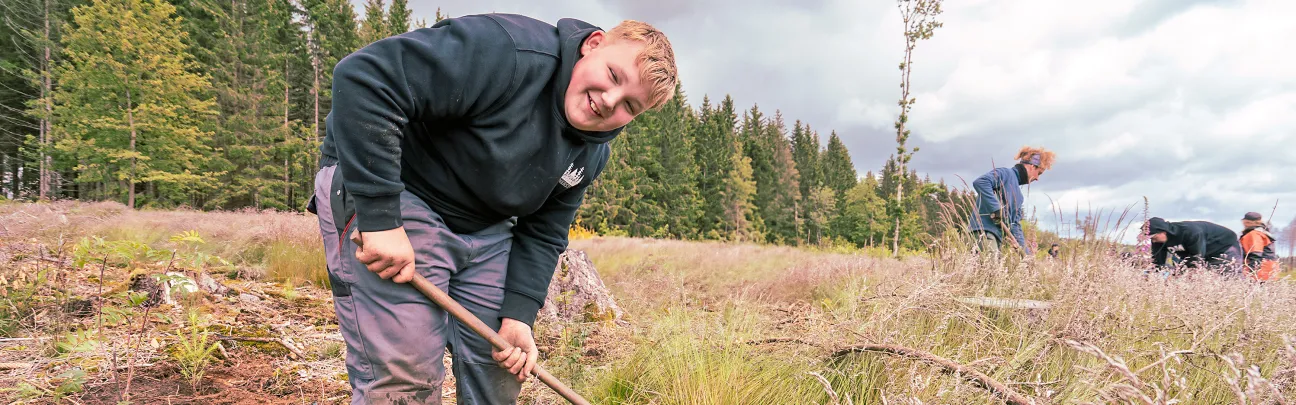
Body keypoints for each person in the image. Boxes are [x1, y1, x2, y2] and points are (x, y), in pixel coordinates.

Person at [305, 14, 677, 403]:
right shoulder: (508, 52)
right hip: (396, 190)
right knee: (406, 378)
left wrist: (518, 315)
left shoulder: (591, 153)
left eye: (629, 105)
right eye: (613, 76)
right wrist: (381, 219)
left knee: (500, 368)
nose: (608, 101)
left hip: (484, 227)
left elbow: (544, 232)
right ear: (593, 45)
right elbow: (365, 78)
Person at [968, 146, 1055, 256]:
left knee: (991, 271)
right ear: (1032, 167)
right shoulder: (1006, 174)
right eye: (1039, 173)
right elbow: (981, 182)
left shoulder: (1019, 197)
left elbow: (1015, 226)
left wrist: (1026, 254)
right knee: (992, 271)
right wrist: (996, 208)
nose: (1037, 178)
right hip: (983, 232)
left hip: (996, 238)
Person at [1146, 217, 1243, 276]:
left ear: (1163, 231)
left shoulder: (1190, 232)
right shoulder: (1158, 241)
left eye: (1154, 237)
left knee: (1226, 276)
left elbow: (1197, 258)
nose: (1153, 240)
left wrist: (1186, 272)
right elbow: (1157, 262)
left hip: (1223, 247)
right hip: (1203, 251)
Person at [1239, 212, 1280, 281]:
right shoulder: (1263, 233)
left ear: (1247, 222)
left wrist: (1250, 275)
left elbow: (1255, 256)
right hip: (1269, 272)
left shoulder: (1253, 234)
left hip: (1260, 274)